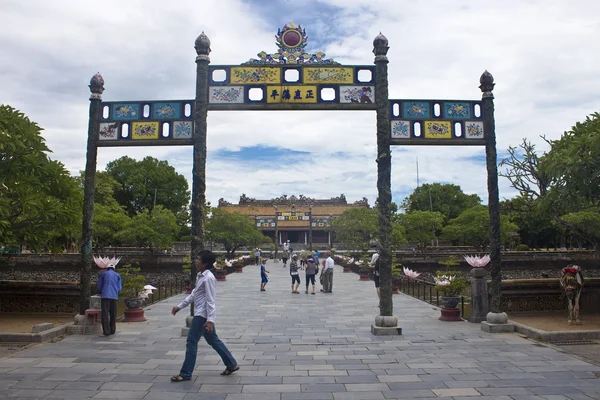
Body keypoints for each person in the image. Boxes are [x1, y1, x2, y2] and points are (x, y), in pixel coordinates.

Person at [171, 250, 239, 382]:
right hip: (202, 314)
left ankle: (186, 373)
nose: (196, 261)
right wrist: (180, 306)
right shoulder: (200, 275)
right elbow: (195, 293)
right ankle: (231, 364)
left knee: (191, 341)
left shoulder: (208, 278)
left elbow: (210, 300)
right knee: (213, 340)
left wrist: (210, 320)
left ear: (205, 263)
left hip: (202, 315)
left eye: (198, 259)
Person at [96, 263, 122, 336]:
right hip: (114, 296)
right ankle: (112, 330)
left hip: (105, 296)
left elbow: (99, 286)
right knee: (113, 313)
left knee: (105, 314)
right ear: (114, 268)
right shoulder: (118, 275)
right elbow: (119, 288)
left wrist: (99, 292)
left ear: (107, 268)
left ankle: (106, 331)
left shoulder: (103, 274)